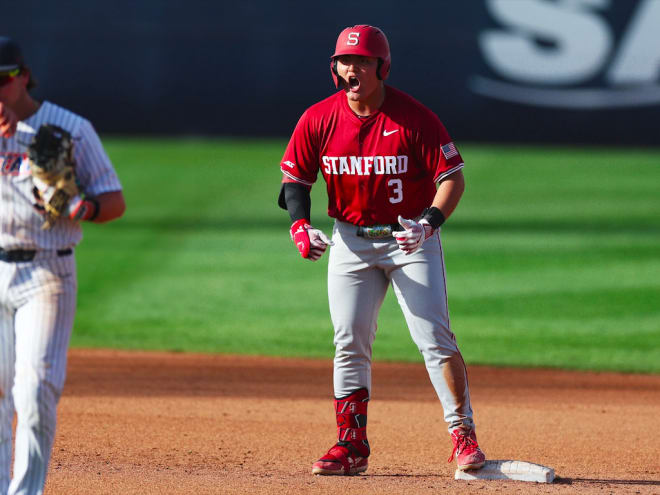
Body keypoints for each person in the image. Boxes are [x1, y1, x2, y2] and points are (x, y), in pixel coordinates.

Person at [278, 25, 486, 476]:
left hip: (408, 238)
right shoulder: (318, 118)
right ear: (334, 67)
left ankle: (463, 434)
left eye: (362, 62)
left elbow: (451, 178)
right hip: (350, 241)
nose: (352, 69)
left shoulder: (414, 118)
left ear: (381, 67)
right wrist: (300, 226)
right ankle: (351, 446)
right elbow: (295, 181)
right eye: (345, 61)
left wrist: (429, 225)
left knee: (434, 337)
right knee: (349, 341)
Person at [0, 37, 125, 494]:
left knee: (33, 393)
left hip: (47, 274)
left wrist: (85, 209)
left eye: (3, 79)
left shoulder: (69, 128)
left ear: (24, 76)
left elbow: (114, 200)